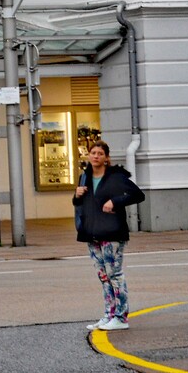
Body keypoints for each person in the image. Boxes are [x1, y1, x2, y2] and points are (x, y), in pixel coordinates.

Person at [74, 140, 145, 331]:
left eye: (100, 153)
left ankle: (121, 317)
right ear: (88, 156)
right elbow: (79, 204)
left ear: (106, 158)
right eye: (93, 153)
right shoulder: (85, 177)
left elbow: (138, 195)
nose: (96, 156)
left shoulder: (115, 177)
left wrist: (115, 201)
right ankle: (109, 314)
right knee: (103, 276)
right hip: (92, 232)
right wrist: (77, 194)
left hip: (112, 233)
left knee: (115, 275)